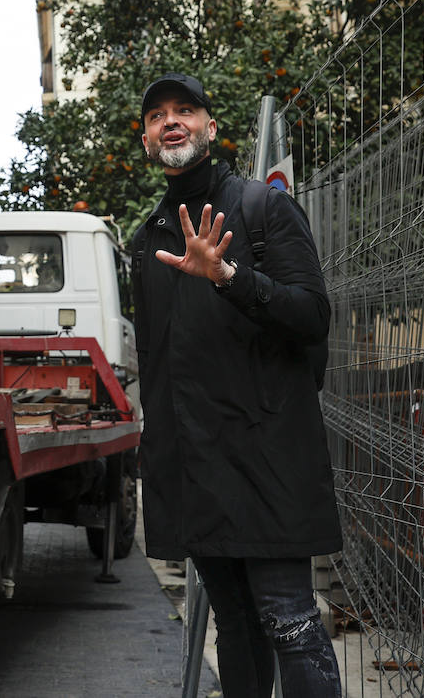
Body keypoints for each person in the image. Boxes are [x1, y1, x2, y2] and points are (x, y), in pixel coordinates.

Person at [131, 73, 343, 696]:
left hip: (268, 461)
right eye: (157, 116)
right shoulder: (149, 241)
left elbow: (313, 315)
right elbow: (158, 364)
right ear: (146, 140)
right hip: (198, 470)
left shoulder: (261, 206)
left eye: (186, 110)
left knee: (290, 622)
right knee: (237, 627)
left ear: (210, 127)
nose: (171, 121)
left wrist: (228, 275)